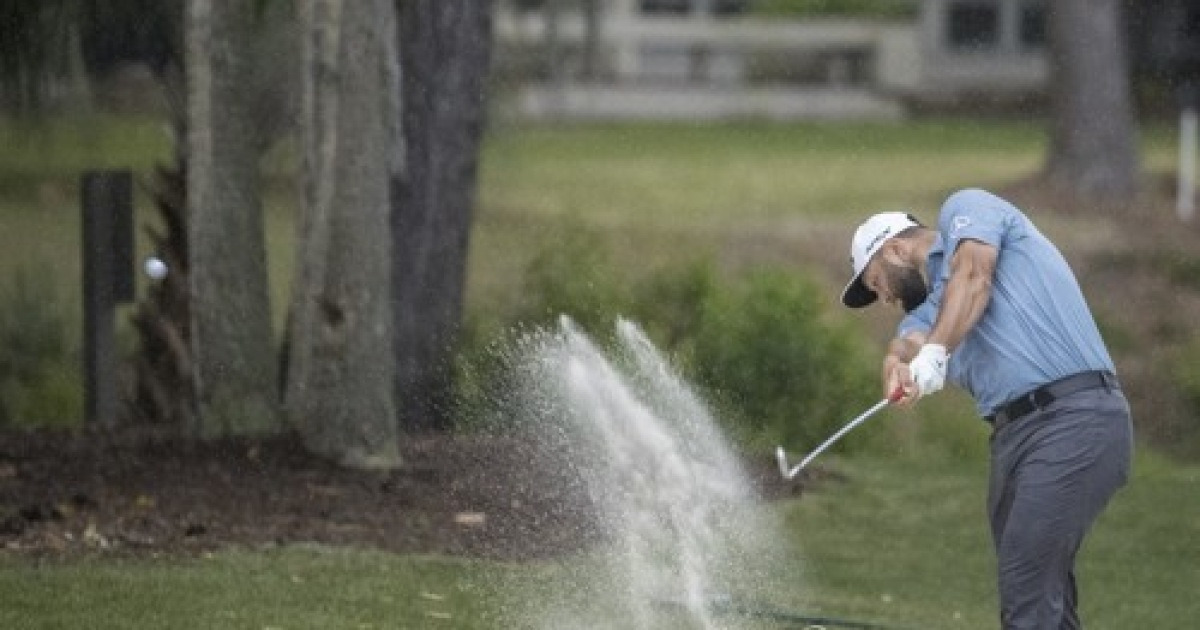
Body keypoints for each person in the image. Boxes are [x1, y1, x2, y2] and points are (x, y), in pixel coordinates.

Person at [839, 188, 1133, 629]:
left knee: (1027, 587)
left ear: (896, 248)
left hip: (1074, 416)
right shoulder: (930, 313)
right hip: (1013, 440)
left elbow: (974, 276)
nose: (884, 299)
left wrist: (938, 351)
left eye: (877, 283)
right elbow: (911, 338)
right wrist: (896, 360)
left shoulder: (969, 209)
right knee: (1039, 588)